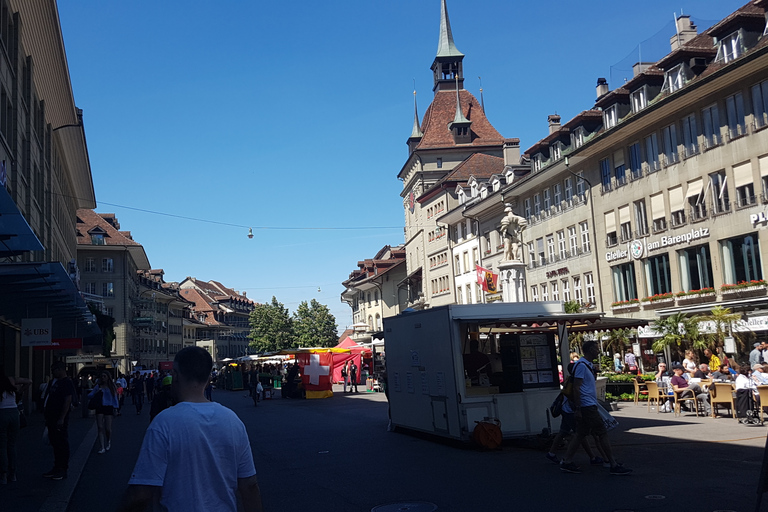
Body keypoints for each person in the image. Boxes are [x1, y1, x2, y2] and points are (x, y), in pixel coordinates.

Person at [119, 347, 263, 512]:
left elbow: (141, 494)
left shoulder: (163, 423)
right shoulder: (233, 421)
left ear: (176, 375)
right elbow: (250, 485)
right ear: (208, 379)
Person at [559, 340, 631, 475]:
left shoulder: (586, 365)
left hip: (588, 404)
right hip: (587, 405)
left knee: (580, 434)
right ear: (591, 350)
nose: (598, 351)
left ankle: (566, 461)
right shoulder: (581, 366)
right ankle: (612, 463)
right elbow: (576, 387)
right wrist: (579, 408)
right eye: (596, 348)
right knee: (601, 432)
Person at [42, 361, 77, 481]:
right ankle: (56, 467)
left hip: (58, 418)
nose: (52, 372)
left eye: (54, 370)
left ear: (60, 369)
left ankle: (62, 469)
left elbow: (68, 400)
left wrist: (62, 418)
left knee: (61, 443)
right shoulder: (54, 382)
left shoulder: (66, 382)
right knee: (55, 443)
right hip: (51, 417)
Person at [0, 367, 31, 484]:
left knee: (2, 445)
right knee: (12, 444)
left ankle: (3, 474)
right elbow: (29, 381)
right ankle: (12, 474)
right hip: (14, 413)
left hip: (2, 413)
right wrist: (20, 392)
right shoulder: (11, 380)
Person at [88, 373, 120, 454]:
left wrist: (116, 408)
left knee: (108, 428)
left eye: (104, 376)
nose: (103, 378)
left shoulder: (111, 387)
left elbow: (115, 398)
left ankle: (108, 440)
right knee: (100, 426)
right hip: (100, 406)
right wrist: (94, 393)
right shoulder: (98, 387)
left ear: (108, 377)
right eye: (102, 376)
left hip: (108, 406)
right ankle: (102, 446)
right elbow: (90, 395)